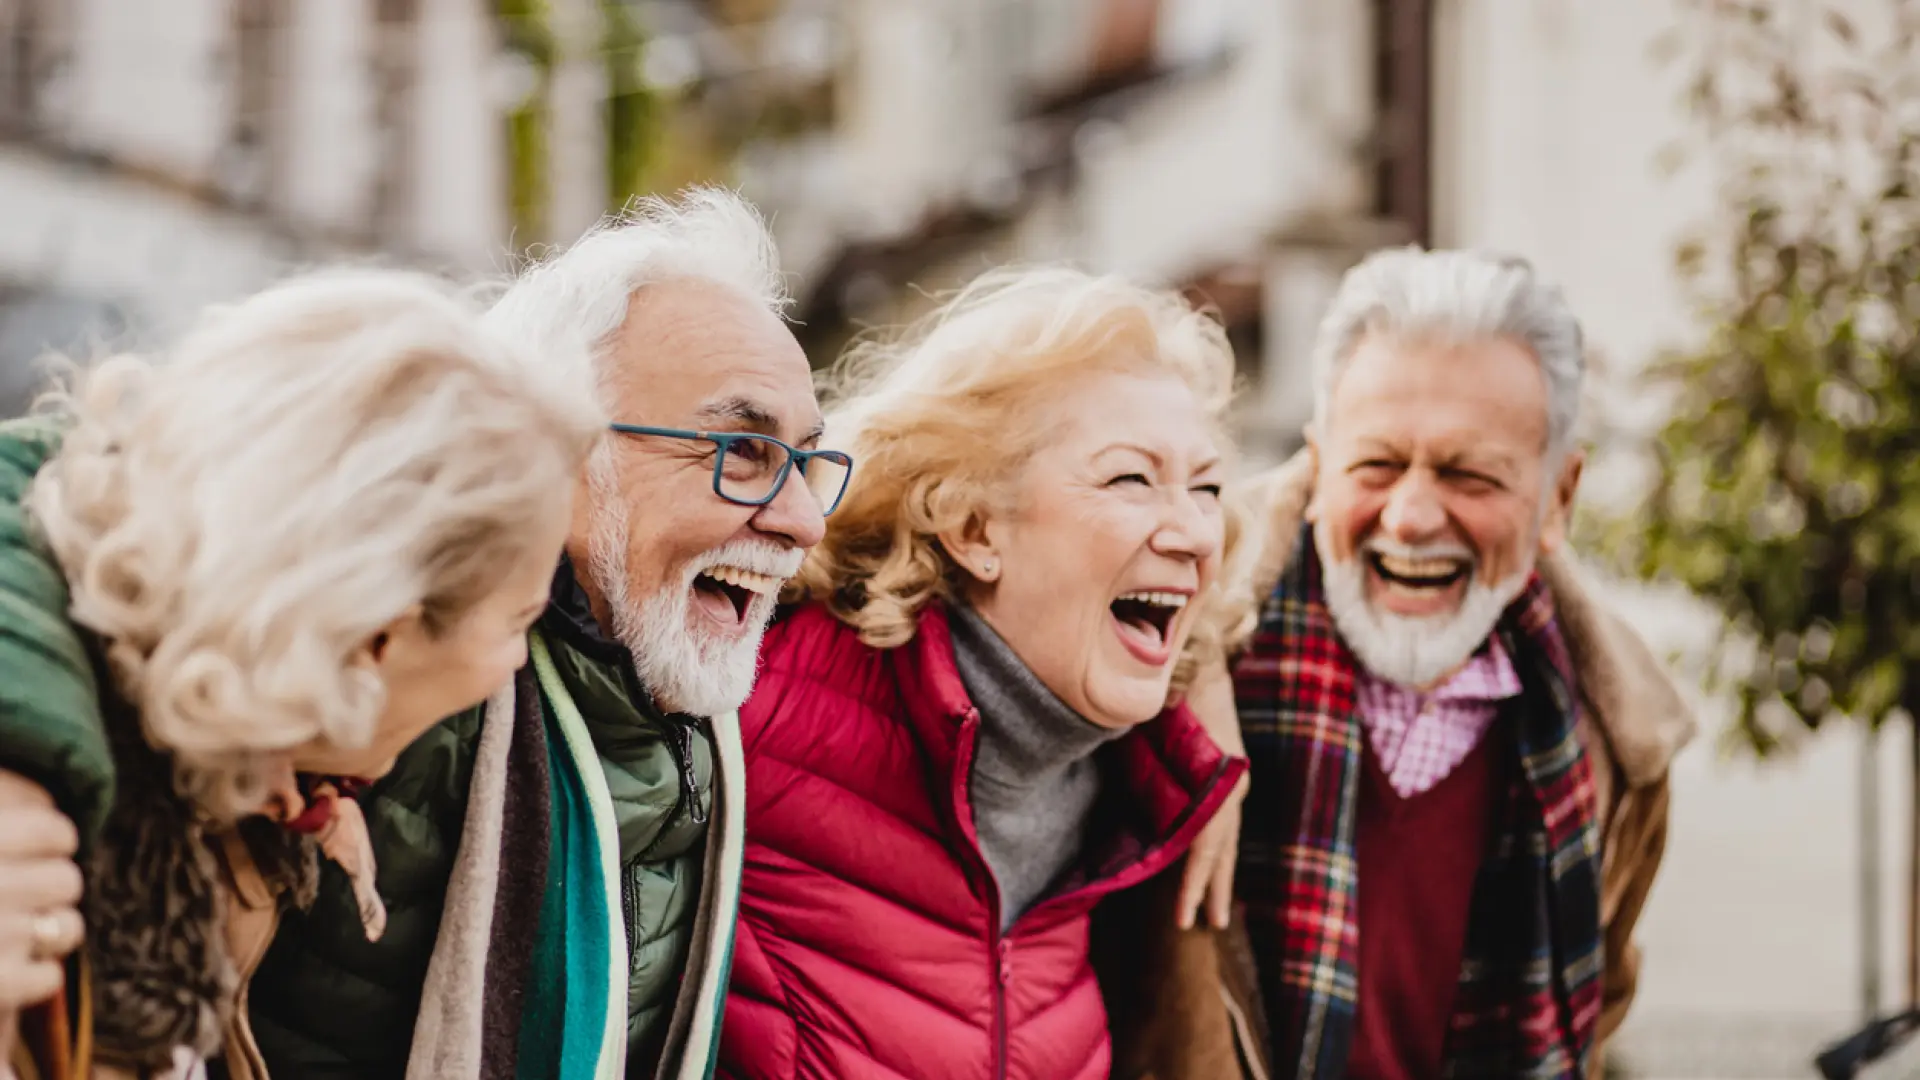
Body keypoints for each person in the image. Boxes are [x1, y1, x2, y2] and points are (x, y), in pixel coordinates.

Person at [241, 188, 841, 1080]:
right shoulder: (397, 668)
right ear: (552, 451)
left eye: (806, 461)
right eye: (740, 451)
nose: (801, 521)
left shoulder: (690, 705)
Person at [1112, 247, 1699, 1080]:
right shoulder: (1150, 661)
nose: (1414, 515)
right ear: (1318, 465)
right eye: (1377, 464)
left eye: (1470, 474)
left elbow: (1597, 1009)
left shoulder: (1623, 745)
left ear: (1557, 499)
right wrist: (1190, 674)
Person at [0, 267, 600, 1079]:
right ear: (373, 640)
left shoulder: (197, 756)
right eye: (520, 620)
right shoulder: (25, 847)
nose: (519, 666)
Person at [717, 267, 1256, 1080]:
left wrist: (1205, 671)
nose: (1192, 531)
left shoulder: (1146, 781)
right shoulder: (748, 709)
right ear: (973, 528)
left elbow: (1358, 477)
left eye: (1207, 486)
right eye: (1130, 478)